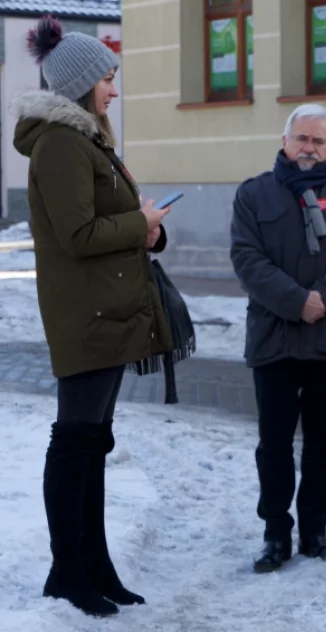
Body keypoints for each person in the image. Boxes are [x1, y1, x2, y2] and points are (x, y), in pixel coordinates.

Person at [11, 15, 175, 617]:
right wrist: (143, 223)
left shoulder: (88, 139)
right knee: (76, 441)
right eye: (108, 76)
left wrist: (149, 233)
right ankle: (67, 571)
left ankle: (95, 563)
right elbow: (78, 234)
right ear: (81, 82)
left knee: (93, 441)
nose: (114, 88)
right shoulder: (59, 144)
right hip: (86, 315)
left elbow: (113, 219)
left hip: (109, 311)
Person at [230, 103, 326, 573]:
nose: (309, 149)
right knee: (274, 443)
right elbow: (247, 259)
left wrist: (322, 298)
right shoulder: (254, 195)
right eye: (301, 139)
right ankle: (276, 533)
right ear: (285, 141)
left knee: (323, 441)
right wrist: (297, 300)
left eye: (318, 141)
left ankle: (315, 530)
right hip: (275, 337)